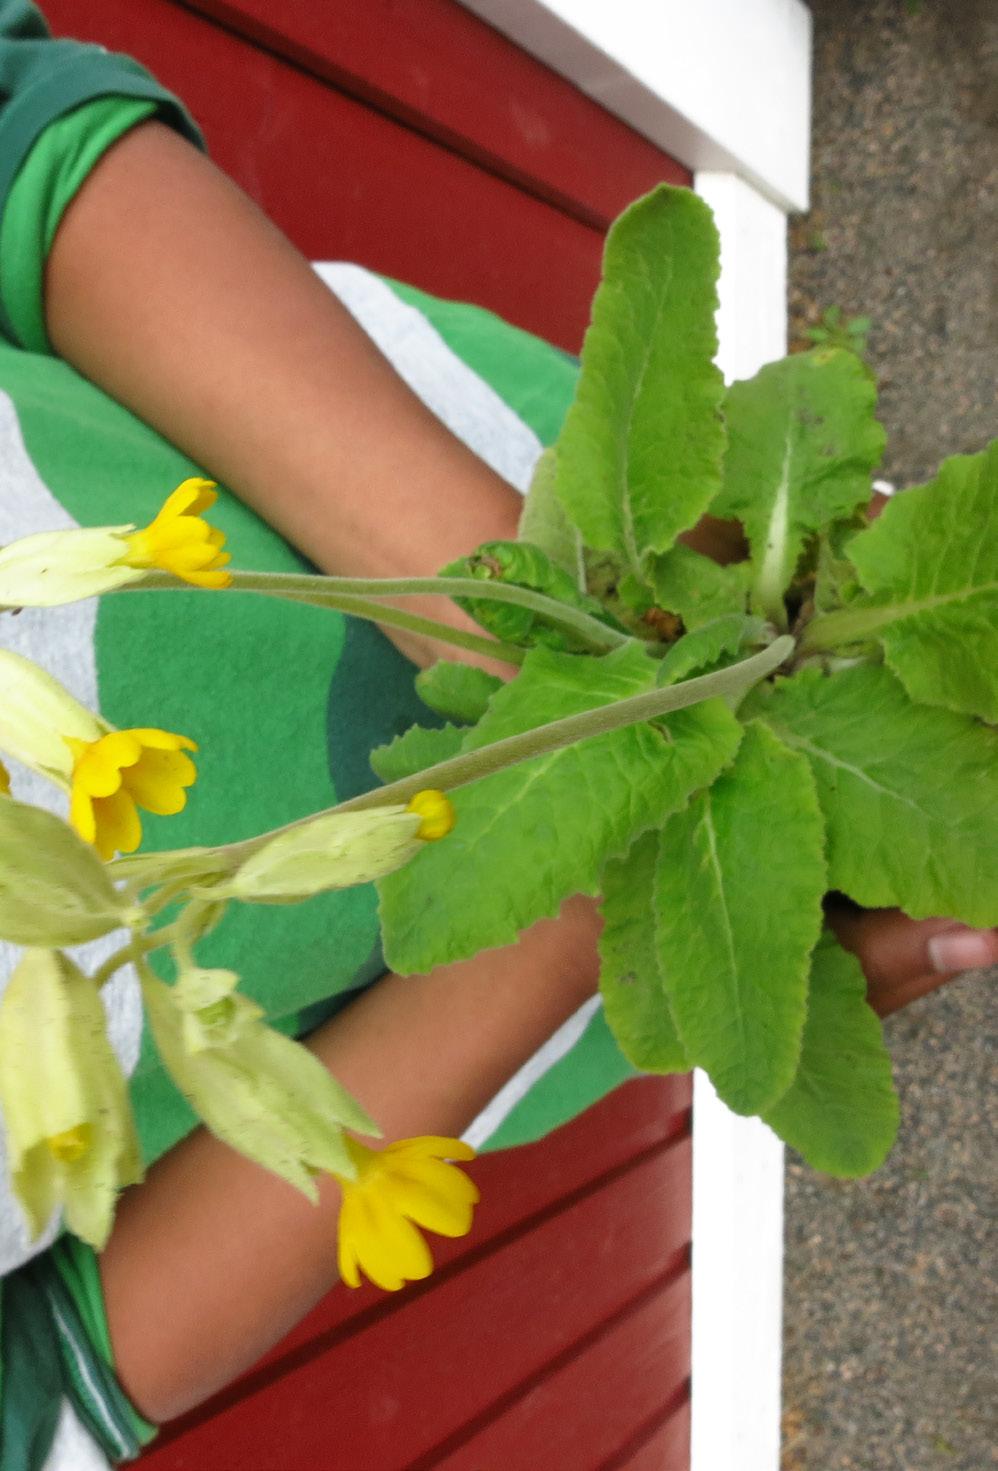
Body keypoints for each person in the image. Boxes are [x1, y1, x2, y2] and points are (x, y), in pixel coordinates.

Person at [0, 3, 995, 1462]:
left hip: (513, 502)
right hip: (518, 953)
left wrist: (520, 619)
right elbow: (58, 1385)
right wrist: (617, 876)